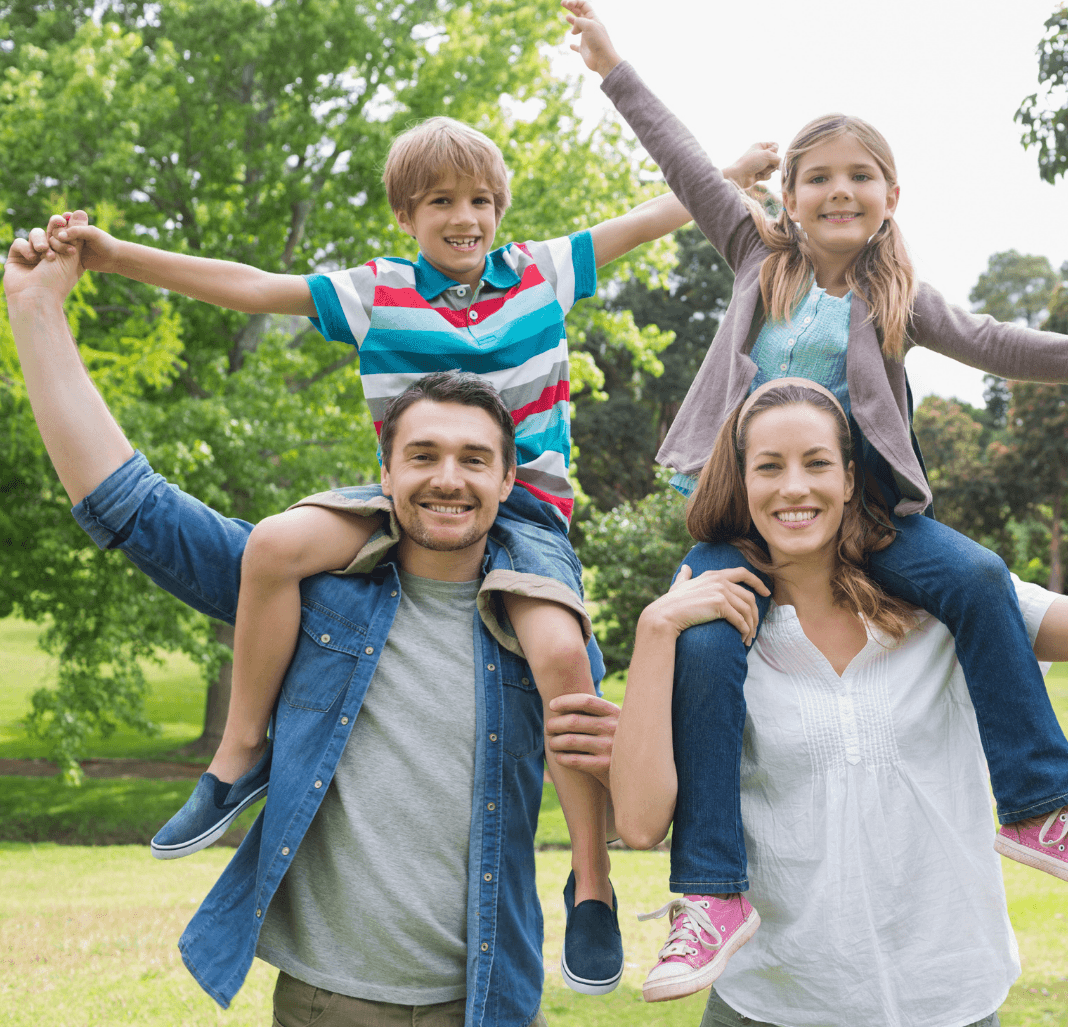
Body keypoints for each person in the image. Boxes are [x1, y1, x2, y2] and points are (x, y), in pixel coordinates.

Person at [42, 118, 775, 996]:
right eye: (440, 203)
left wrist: (725, 176)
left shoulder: (543, 273)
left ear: (500, 209)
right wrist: (117, 256)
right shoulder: (374, 293)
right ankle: (238, 755)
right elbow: (250, 287)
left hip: (530, 517)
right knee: (274, 543)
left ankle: (591, 880)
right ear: (405, 215)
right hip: (400, 509)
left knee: (558, 655)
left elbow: (650, 217)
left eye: (478, 202)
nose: (463, 218)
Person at [562, 0, 1068, 997]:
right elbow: (683, 165)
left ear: (891, 194)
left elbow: (1004, 346)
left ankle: (1037, 800)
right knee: (707, 641)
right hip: (739, 516)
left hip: (869, 515)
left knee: (973, 577)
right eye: (818, 177)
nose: (839, 191)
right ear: (787, 196)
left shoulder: (900, 300)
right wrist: (615, 66)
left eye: (859, 176)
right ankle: (711, 894)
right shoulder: (760, 260)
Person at [4, 217, 622, 1025]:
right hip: (325, 1005)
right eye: (423, 455)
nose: (448, 479)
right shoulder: (314, 596)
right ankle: (236, 759)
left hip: (483, 1001)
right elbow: (130, 506)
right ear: (384, 472)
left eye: (474, 459)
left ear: (511, 481)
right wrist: (34, 309)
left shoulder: (549, 634)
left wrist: (668, 641)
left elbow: (640, 802)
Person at [611, 379, 1068, 1024]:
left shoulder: (950, 599)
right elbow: (638, 826)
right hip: (772, 1001)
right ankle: (714, 904)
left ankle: (1041, 817)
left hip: (946, 997)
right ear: (741, 483)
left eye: (817, 464)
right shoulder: (702, 631)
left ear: (852, 477)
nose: (794, 488)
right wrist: (654, 630)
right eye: (769, 467)